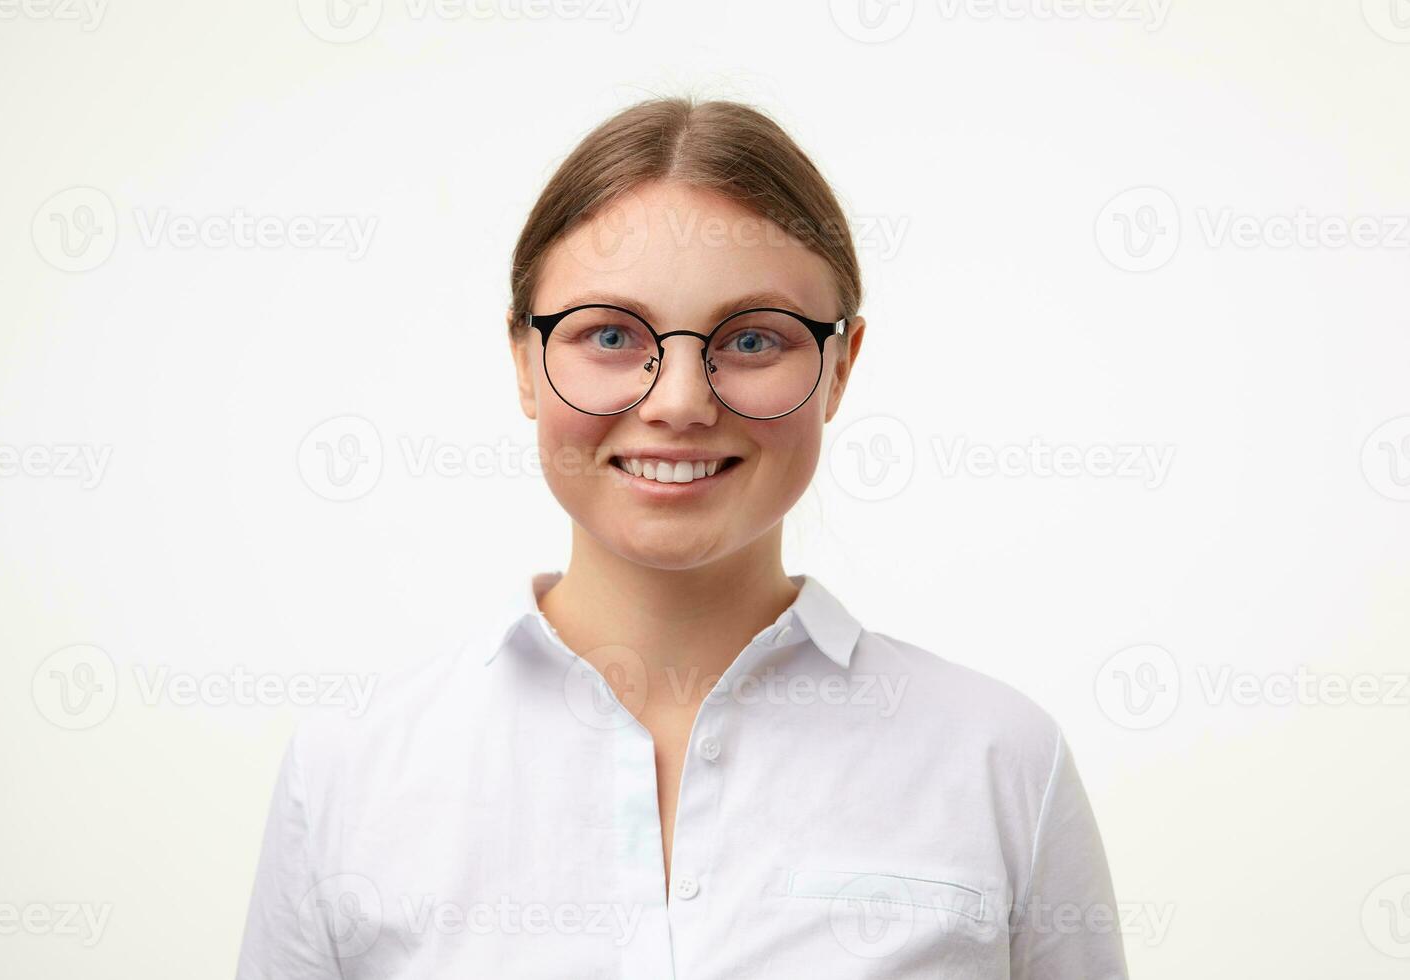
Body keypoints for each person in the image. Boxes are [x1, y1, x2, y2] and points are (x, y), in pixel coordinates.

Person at [235, 96, 1129, 979]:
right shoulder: (351, 778)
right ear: (523, 363)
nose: (679, 404)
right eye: (612, 334)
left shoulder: (1001, 764)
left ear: (840, 369)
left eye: (751, 340)